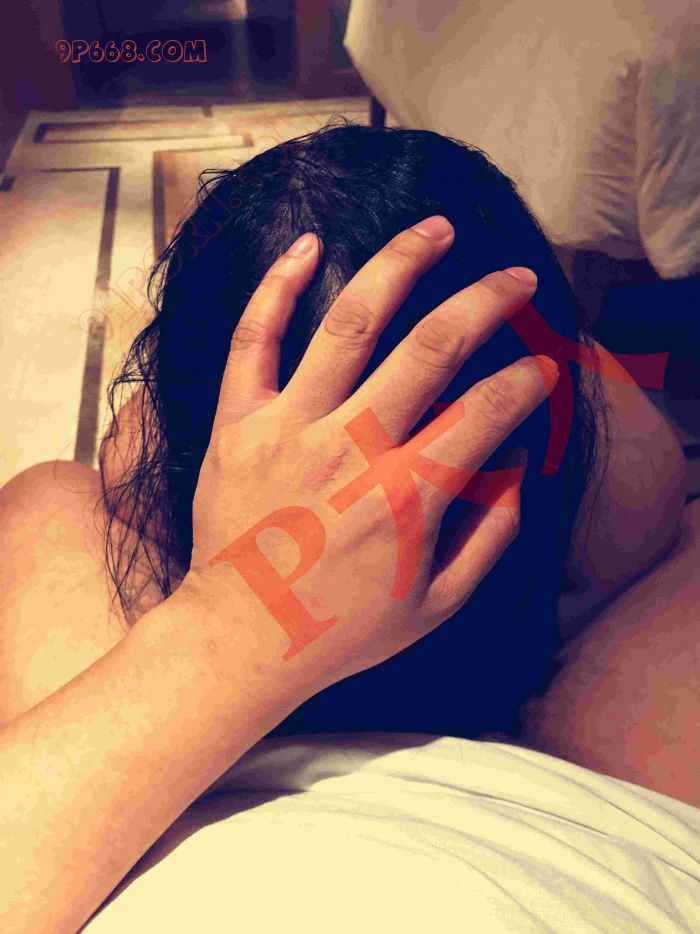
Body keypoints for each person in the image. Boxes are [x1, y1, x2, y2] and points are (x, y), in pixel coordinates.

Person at [0, 124, 690, 931]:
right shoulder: (633, 496)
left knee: (55, 496)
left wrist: (233, 614)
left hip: (160, 806)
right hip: (562, 809)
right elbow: (634, 485)